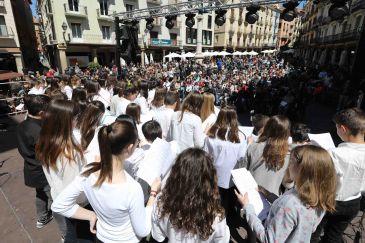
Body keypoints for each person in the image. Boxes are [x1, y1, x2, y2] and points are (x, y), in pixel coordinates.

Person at [52, 120, 161, 243]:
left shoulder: (88, 171)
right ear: (130, 148)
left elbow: (59, 204)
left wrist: (90, 215)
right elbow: (143, 230)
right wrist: (153, 194)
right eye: (137, 142)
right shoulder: (132, 188)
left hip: (101, 237)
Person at [236, 145, 337, 243]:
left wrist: (248, 207)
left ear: (304, 170)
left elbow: (268, 239)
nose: (288, 165)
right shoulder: (320, 197)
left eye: (292, 162)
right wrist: (269, 195)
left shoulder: (289, 203)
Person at [36, 99, 88, 241]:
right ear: (65, 121)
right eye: (75, 117)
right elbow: (74, 188)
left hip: (58, 196)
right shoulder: (68, 150)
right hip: (77, 205)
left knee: (70, 233)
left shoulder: (46, 139)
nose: (77, 120)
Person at [151, 148, 230, 242]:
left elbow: (158, 236)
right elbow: (222, 240)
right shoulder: (215, 215)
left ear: (176, 174)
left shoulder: (162, 203)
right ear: (210, 179)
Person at [311, 108, 365, 243]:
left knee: (314, 233)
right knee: (334, 236)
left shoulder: (335, 154)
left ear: (343, 129)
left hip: (330, 201)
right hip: (354, 202)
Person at [204, 107, 247, 224]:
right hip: (231, 176)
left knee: (213, 199)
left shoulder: (212, 133)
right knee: (227, 201)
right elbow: (241, 157)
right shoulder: (240, 136)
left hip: (214, 173)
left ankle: (212, 220)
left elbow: (206, 154)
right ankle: (223, 223)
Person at [16, 94, 52, 228]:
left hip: (30, 167)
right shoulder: (39, 131)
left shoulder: (22, 125)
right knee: (55, 197)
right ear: (42, 113)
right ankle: (65, 231)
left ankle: (42, 217)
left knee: (40, 194)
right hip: (42, 170)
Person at [240, 115, 290, 196]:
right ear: (286, 133)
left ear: (267, 128)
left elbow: (242, 170)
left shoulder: (254, 147)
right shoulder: (288, 155)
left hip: (251, 195)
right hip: (273, 199)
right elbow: (288, 184)